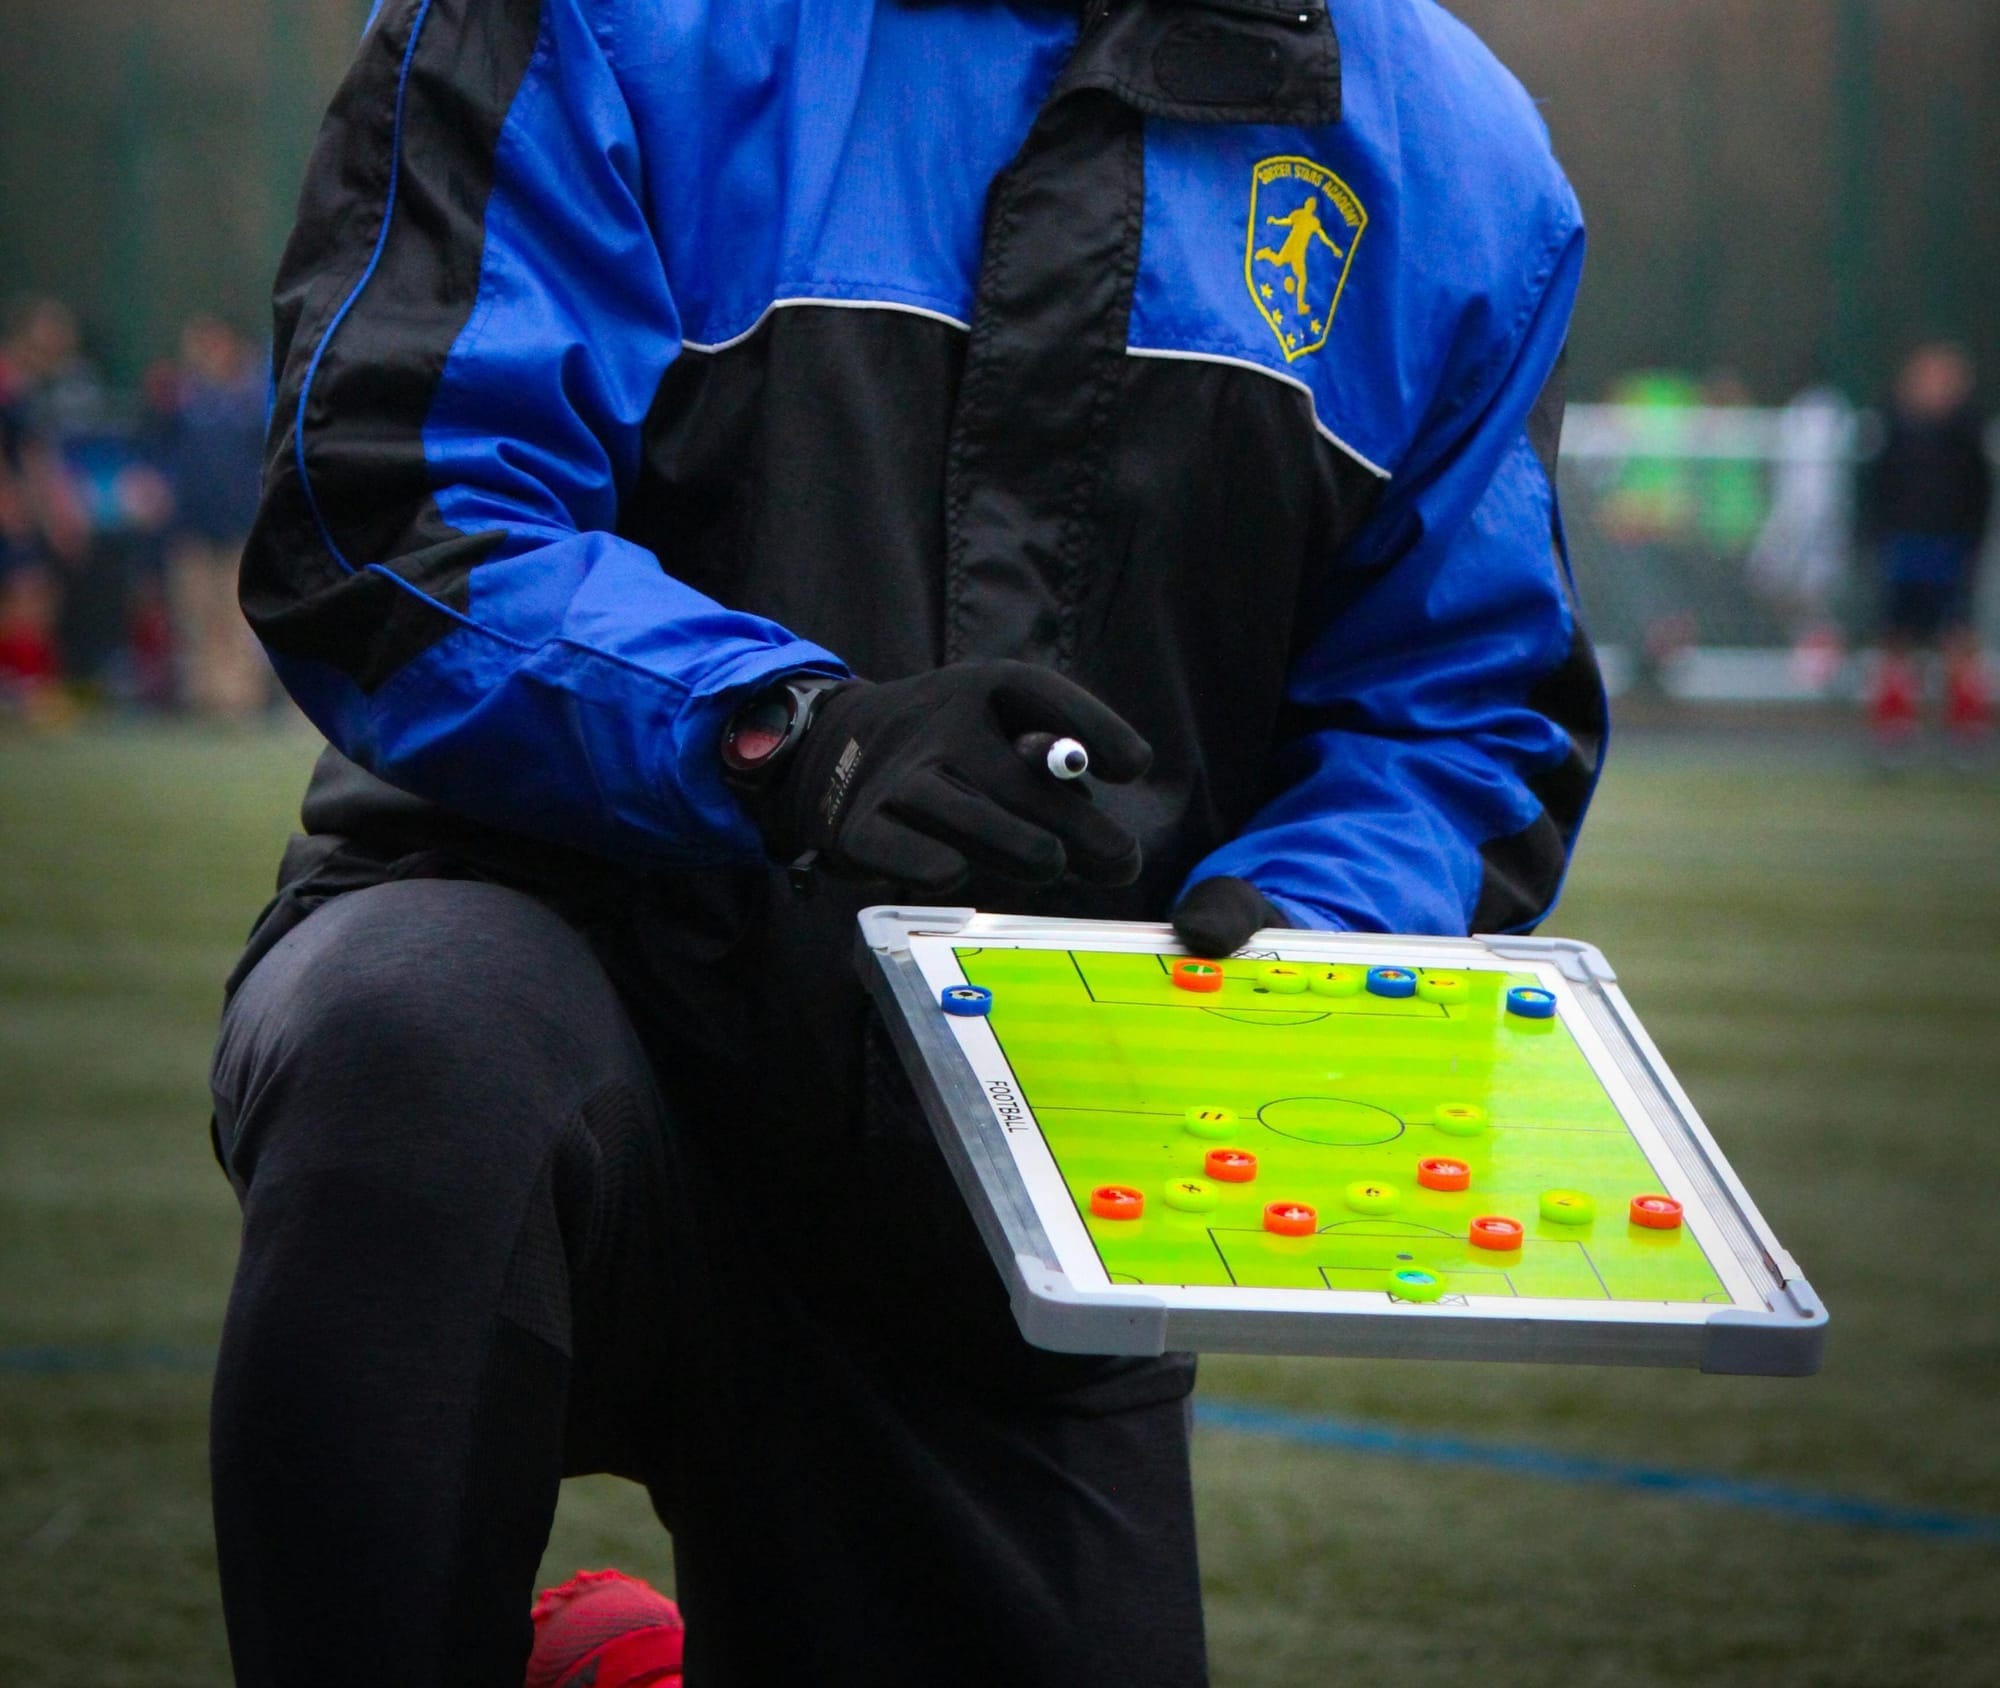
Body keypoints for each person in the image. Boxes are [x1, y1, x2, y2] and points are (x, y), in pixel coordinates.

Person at [210, 3, 1603, 1684]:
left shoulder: (1463, 162)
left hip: (1007, 1178)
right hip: (548, 986)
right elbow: (386, 503)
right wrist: (780, 735)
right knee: (415, 1036)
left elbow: (1467, 711)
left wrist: (1300, 926)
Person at [1862, 342, 1993, 755]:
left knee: (1957, 639)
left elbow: (1980, 494)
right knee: (1897, 639)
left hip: (1951, 549)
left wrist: (1972, 541)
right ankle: (1895, 729)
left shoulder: (1965, 434)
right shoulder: (1894, 429)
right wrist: (1876, 534)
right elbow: (1876, 490)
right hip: (1903, 547)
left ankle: (1966, 730)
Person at [163, 316, 272, 719]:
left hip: (238, 523)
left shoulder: (250, 402)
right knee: (194, 612)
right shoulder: (180, 401)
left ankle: (237, 697)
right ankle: (200, 693)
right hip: (191, 523)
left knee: (234, 614)